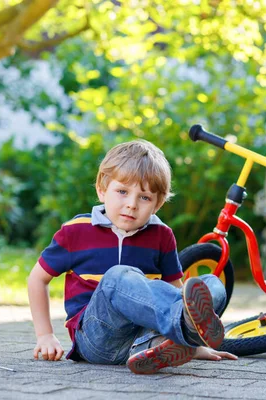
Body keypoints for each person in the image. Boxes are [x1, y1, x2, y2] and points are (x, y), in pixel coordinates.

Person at [28, 139, 236, 374]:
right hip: (97, 339)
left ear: (157, 204)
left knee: (212, 284)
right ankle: (183, 330)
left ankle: (174, 340)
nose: (131, 204)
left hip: (141, 339)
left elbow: (175, 292)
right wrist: (45, 335)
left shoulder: (161, 235)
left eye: (145, 197)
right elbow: (37, 279)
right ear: (102, 189)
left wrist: (194, 345)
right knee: (118, 277)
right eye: (122, 192)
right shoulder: (76, 231)